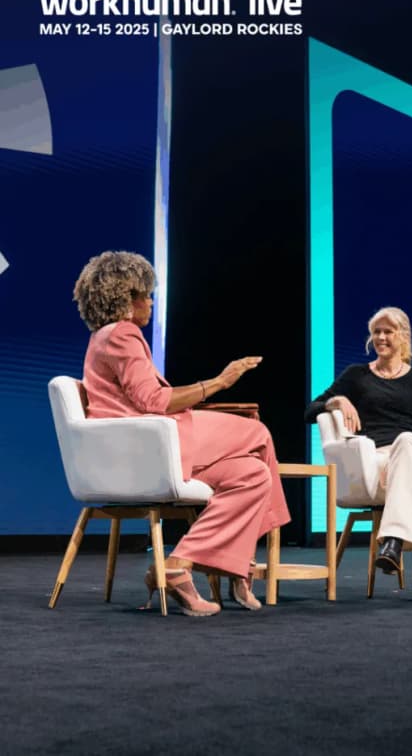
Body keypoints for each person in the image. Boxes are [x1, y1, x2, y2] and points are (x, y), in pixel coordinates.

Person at [73, 250, 290, 617]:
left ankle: (178, 565)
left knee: (252, 474)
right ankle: (244, 562)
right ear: (126, 299)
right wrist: (219, 382)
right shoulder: (122, 334)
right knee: (258, 432)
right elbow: (154, 400)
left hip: (141, 444)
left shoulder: (103, 336)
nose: (151, 302)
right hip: (150, 447)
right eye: (146, 295)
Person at [304, 306, 412, 604]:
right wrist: (337, 400)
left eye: (388, 331)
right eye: (376, 332)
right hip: (380, 462)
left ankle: (394, 540)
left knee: (408, 441)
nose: (381, 337)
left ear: (403, 336)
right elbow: (310, 410)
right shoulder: (356, 375)